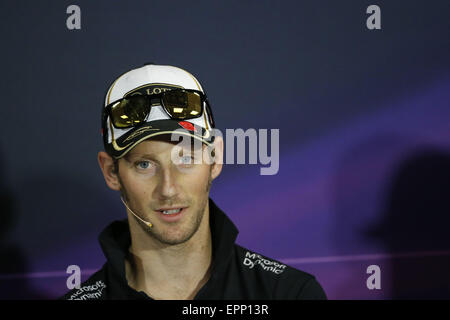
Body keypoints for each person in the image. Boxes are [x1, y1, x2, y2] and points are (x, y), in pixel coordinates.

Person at [60, 63, 327, 300]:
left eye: (185, 159)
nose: (168, 188)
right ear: (111, 172)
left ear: (216, 157)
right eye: (144, 164)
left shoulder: (287, 293)